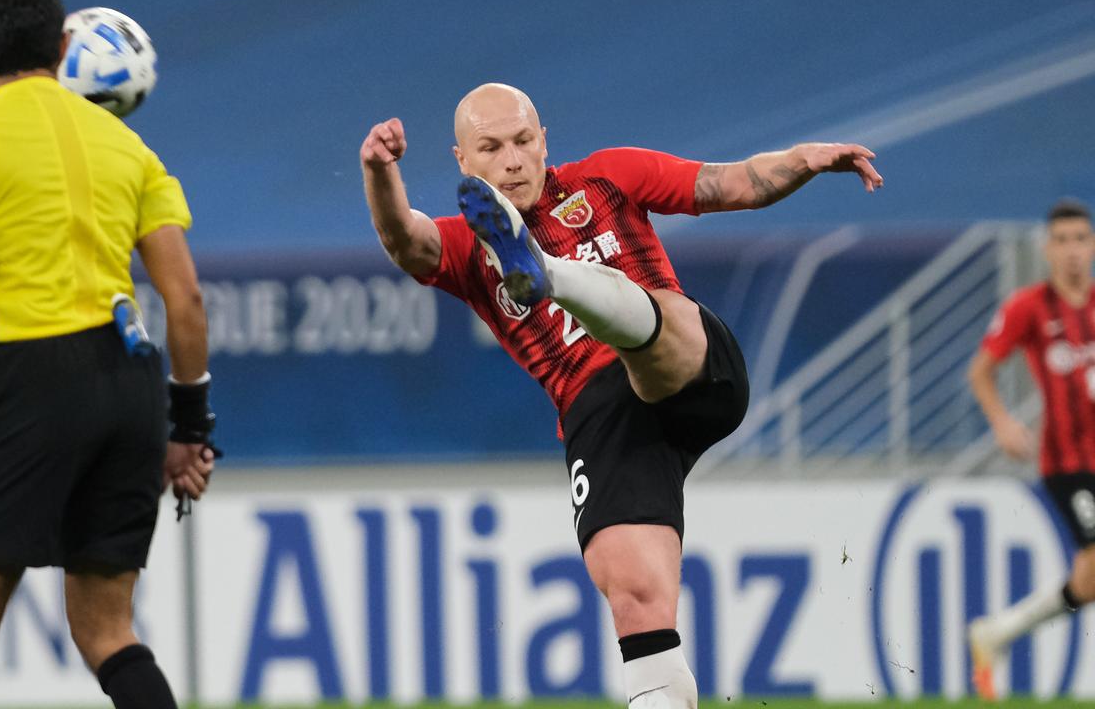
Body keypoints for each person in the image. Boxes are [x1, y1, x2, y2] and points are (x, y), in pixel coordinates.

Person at [360, 82, 882, 708]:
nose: (513, 160)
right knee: (635, 597)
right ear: (463, 162)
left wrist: (806, 158)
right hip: (599, 411)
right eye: (492, 148)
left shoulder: (608, 177)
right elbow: (405, 240)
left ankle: (547, 275)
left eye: (524, 141)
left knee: (659, 326)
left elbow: (732, 183)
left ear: (544, 139)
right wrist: (378, 171)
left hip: (691, 366)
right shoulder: (468, 247)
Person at [0, 0, 217, 707]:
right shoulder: (127, 144)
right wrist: (190, 430)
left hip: (31, 374)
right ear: (61, 49)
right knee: (107, 628)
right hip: (130, 381)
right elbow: (185, 299)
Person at [967, 199, 1095, 701]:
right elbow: (981, 370)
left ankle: (996, 633)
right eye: (1061, 241)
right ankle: (996, 633)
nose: (1071, 251)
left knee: (1086, 581)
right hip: (1066, 464)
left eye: (1080, 239)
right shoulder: (1030, 306)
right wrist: (1001, 420)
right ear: (1047, 249)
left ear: (1091, 246)